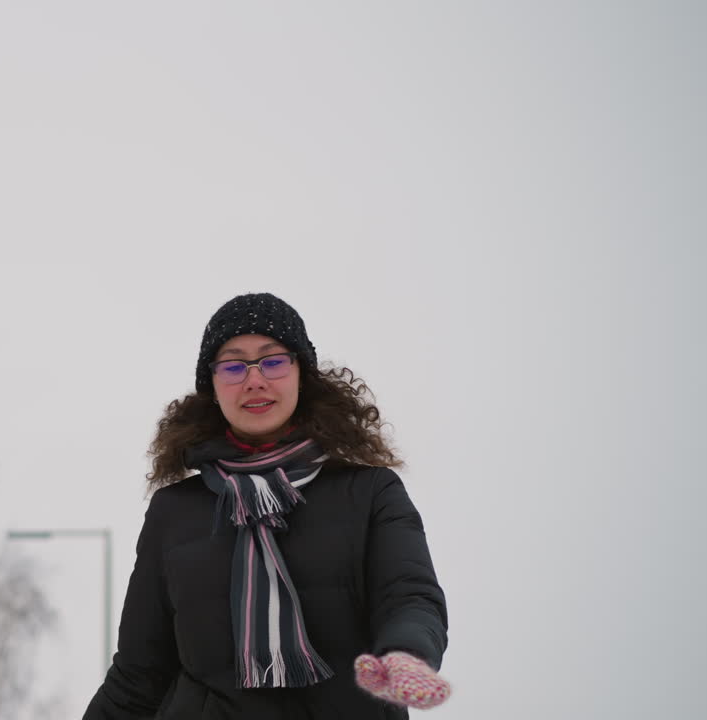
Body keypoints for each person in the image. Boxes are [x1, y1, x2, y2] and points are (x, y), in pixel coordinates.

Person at [82, 293, 450, 719]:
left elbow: (409, 596)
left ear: (301, 375)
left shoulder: (369, 492)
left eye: (272, 361)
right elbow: (138, 674)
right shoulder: (174, 511)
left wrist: (405, 653)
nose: (254, 380)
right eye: (233, 365)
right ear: (214, 387)